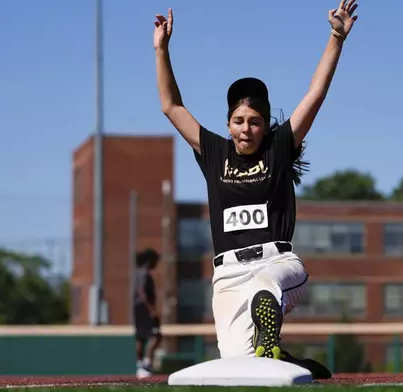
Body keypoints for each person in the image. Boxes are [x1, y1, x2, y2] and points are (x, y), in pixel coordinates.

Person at [153, 0, 358, 379]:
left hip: (277, 265)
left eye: (255, 122)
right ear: (228, 123)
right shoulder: (214, 152)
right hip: (228, 275)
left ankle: (270, 324)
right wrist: (161, 49)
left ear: (266, 125)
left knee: (266, 287)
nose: (246, 129)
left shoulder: (279, 148)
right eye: (239, 121)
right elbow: (171, 105)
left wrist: (335, 37)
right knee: (242, 367)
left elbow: (315, 95)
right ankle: (289, 364)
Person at [133, 248, 162, 379]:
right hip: (144, 309)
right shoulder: (144, 274)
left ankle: (140, 366)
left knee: (141, 337)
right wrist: (152, 310)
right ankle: (146, 364)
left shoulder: (137, 273)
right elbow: (142, 293)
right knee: (156, 335)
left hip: (137, 308)